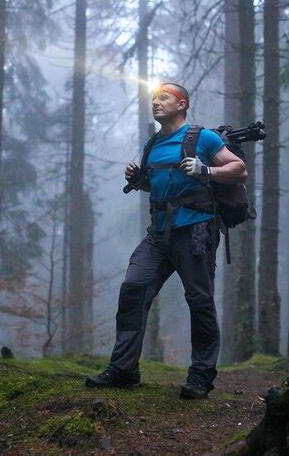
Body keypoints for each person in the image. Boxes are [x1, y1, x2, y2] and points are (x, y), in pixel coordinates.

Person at [85, 82, 247, 399]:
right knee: (133, 287)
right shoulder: (154, 144)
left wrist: (206, 170)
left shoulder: (204, 138)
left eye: (164, 98)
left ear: (182, 104)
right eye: (153, 98)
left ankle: (201, 376)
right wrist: (139, 180)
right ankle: (124, 370)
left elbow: (239, 169)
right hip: (158, 235)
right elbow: (159, 187)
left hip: (198, 229)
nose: (156, 102)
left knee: (199, 299)